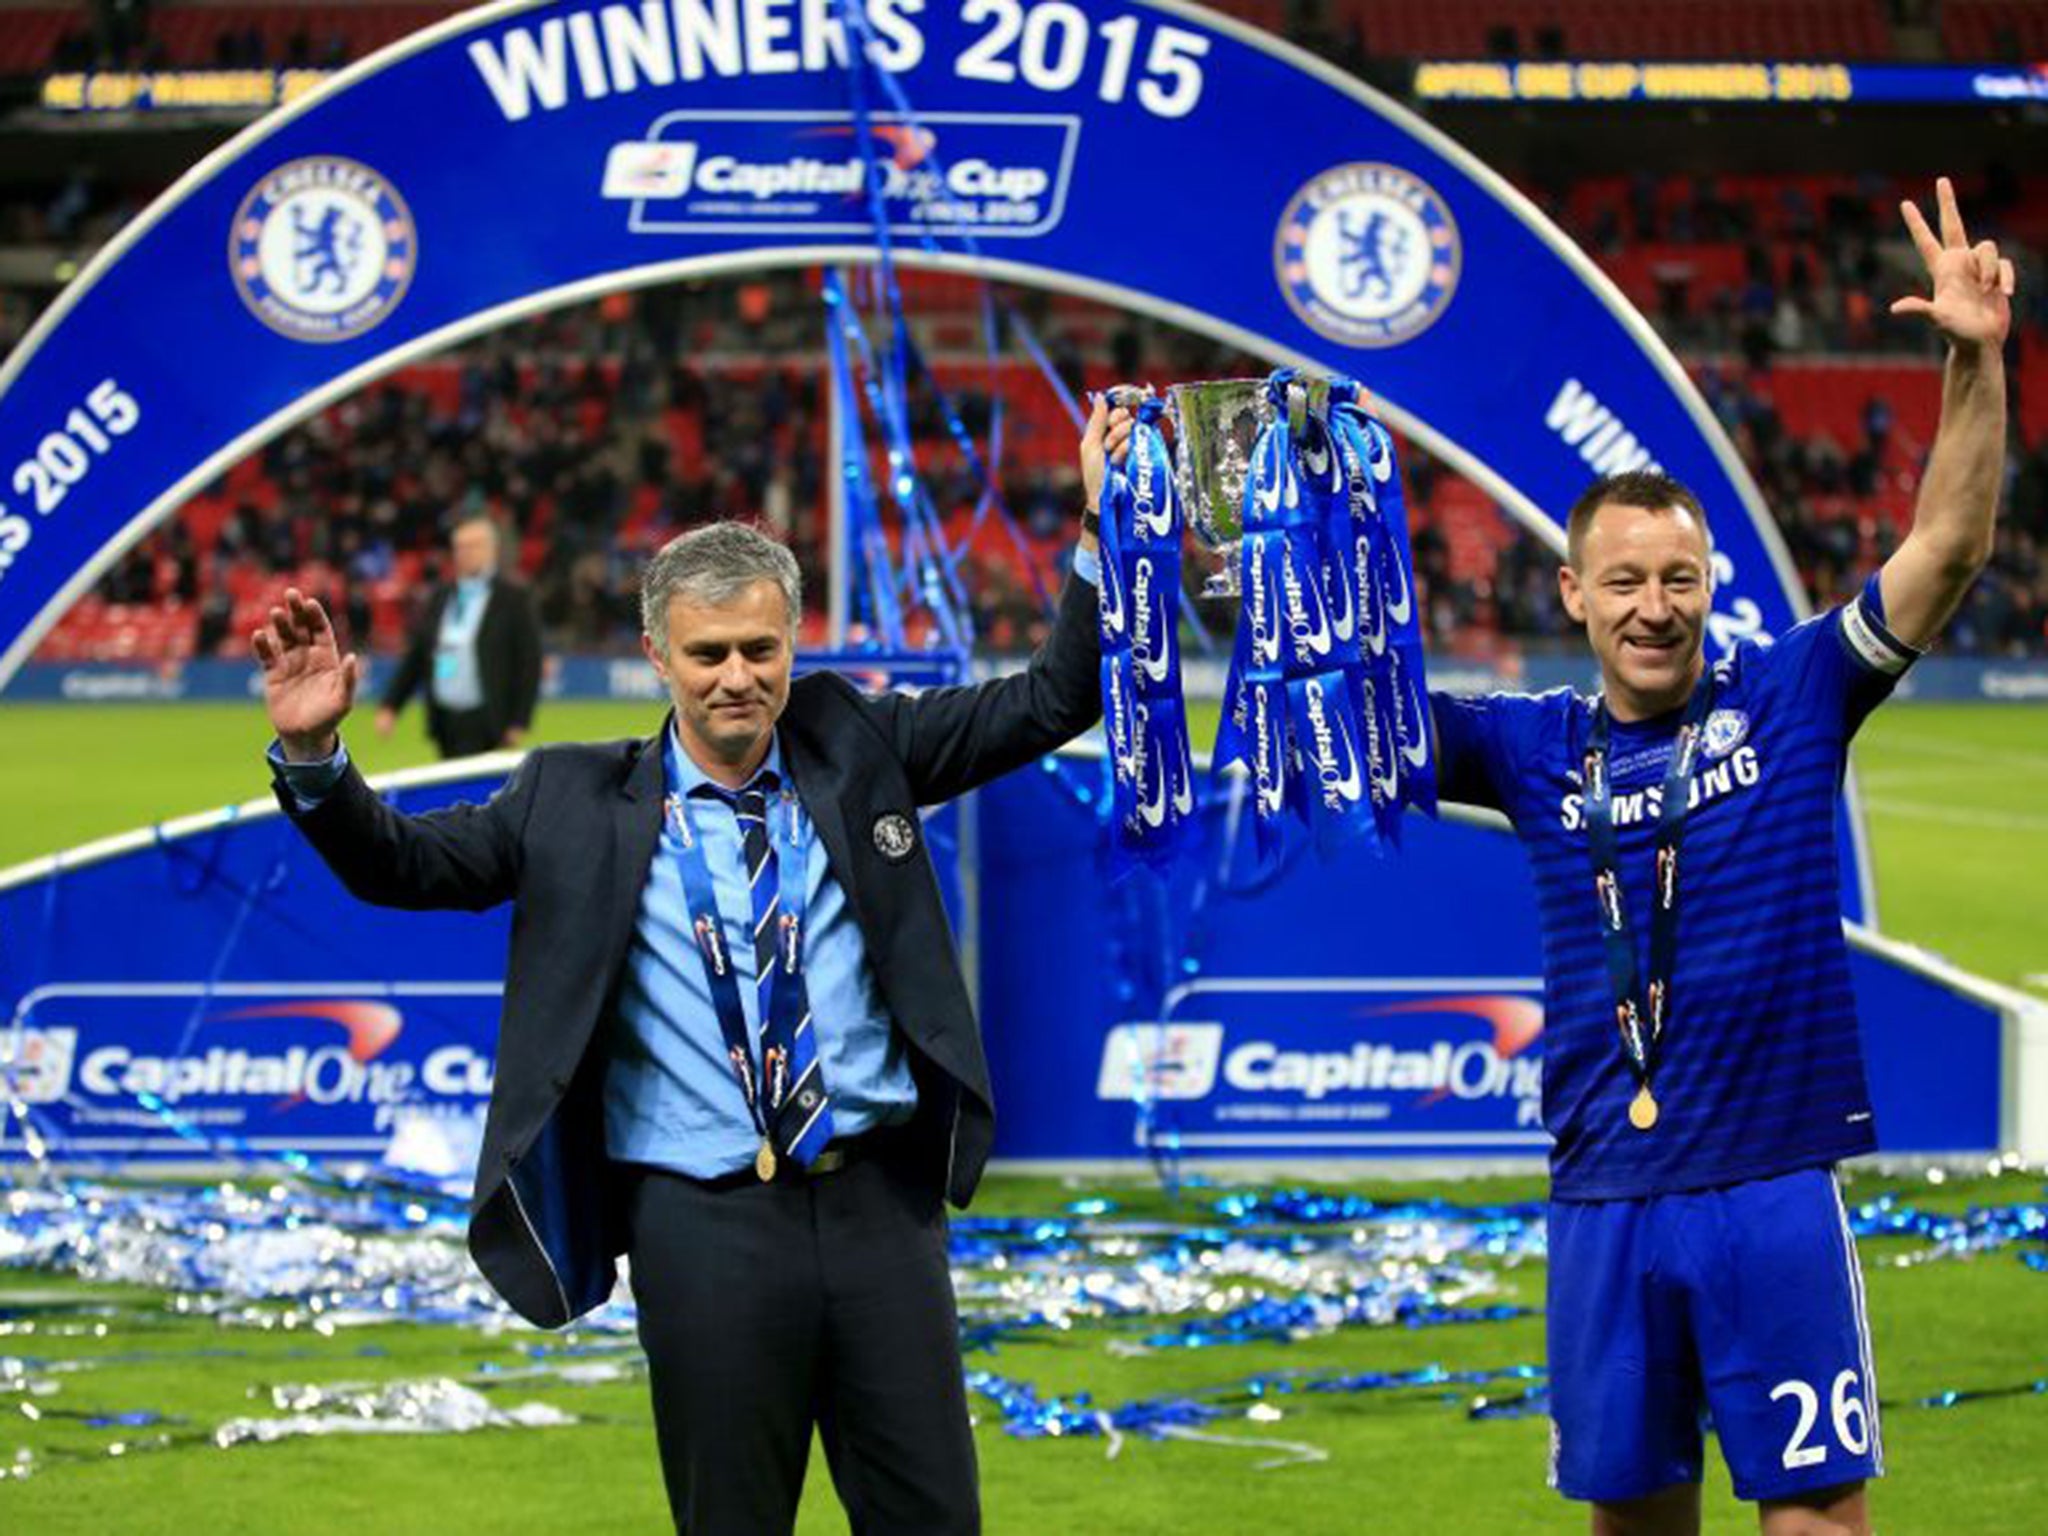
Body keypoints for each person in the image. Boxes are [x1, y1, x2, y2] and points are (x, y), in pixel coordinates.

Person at [251, 400, 1127, 1535]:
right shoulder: (567, 797)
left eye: (759, 651)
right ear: (656, 654)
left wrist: (1107, 535)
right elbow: (403, 866)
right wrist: (317, 757)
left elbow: (1052, 697)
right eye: (706, 653)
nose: (735, 679)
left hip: (878, 1209)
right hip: (698, 1226)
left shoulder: (859, 746)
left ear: (792, 648)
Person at [1427, 179, 2011, 1536]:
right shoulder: (1524, 750)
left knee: (1814, 1522)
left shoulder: (1793, 694)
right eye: (1623, 581)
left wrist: (1974, 362)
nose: (1653, 608)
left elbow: (1952, 546)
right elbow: (1352, 709)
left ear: (1710, 587)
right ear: (1572, 594)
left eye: (1677, 579)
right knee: (1635, 1527)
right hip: (1606, 1198)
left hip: (1770, 1189)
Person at [376, 510, 543, 758]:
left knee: (484, 794)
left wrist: (519, 721)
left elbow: (529, 661)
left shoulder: (513, 598)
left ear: (490, 550)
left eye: (472, 546)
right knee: (450, 791)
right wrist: (391, 705)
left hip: (488, 719)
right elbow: (418, 655)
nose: (464, 553)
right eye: (459, 547)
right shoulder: (442, 596)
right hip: (445, 719)